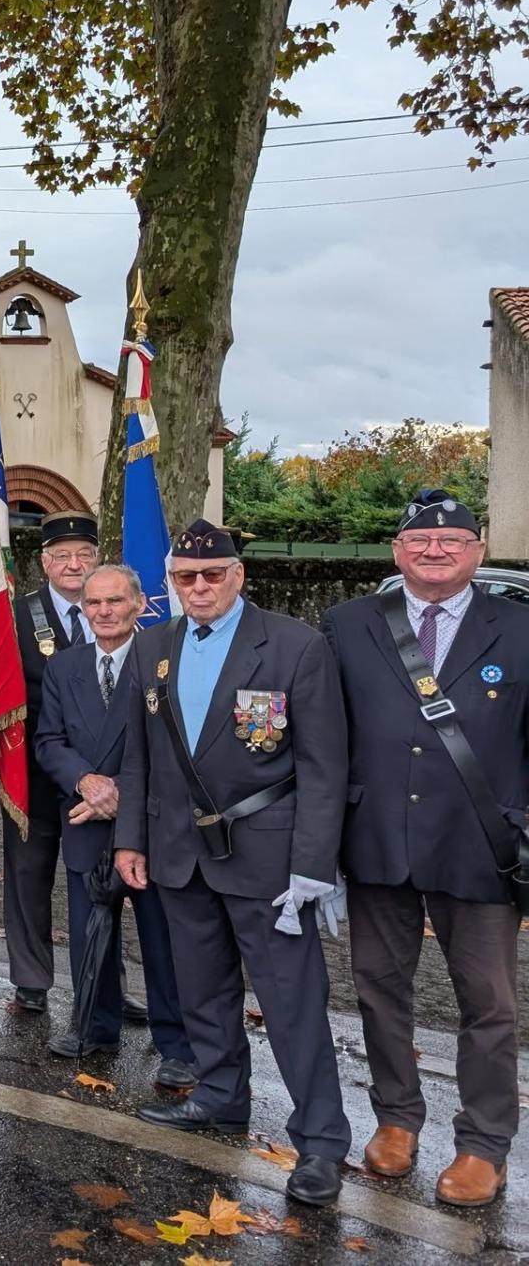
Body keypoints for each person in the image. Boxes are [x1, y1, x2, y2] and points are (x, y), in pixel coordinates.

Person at [115, 519, 349, 1208]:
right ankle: (219, 1096)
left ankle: (321, 1140)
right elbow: (140, 756)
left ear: (238, 575)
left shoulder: (295, 646)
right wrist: (131, 838)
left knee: (291, 1001)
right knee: (203, 990)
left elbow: (324, 765)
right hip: (180, 853)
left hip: (269, 856)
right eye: (186, 577)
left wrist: (314, 864)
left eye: (212, 574)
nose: (200, 587)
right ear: (172, 583)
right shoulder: (153, 645)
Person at [322, 489, 526, 1208]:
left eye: (452, 540)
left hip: (481, 845)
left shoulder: (521, 629)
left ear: (477, 550)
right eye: (419, 541)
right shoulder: (347, 625)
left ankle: (483, 1142)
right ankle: (397, 1118)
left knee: (489, 1001)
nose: (435, 550)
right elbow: (323, 737)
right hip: (376, 837)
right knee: (379, 988)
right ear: (397, 551)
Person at [34, 562, 194, 1085]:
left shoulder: (165, 660)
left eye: (115, 602)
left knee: (162, 940)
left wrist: (121, 794)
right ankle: (93, 1026)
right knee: (88, 932)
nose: (104, 612)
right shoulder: (64, 667)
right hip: (84, 816)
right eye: (94, 603)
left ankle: (177, 1044)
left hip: (147, 823)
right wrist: (86, 782)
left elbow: (176, 743)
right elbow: (49, 742)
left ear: (140, 605)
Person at [6, 510, 99, 1014]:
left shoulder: (118, 609)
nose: (73, 564)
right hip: (33, 772)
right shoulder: (18, 613)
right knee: (28, 877)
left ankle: (103, 981)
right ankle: (31, 979)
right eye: (62, 555)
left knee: (99, 883)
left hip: (101, 776)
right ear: (44, 562)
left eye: (84, 553)